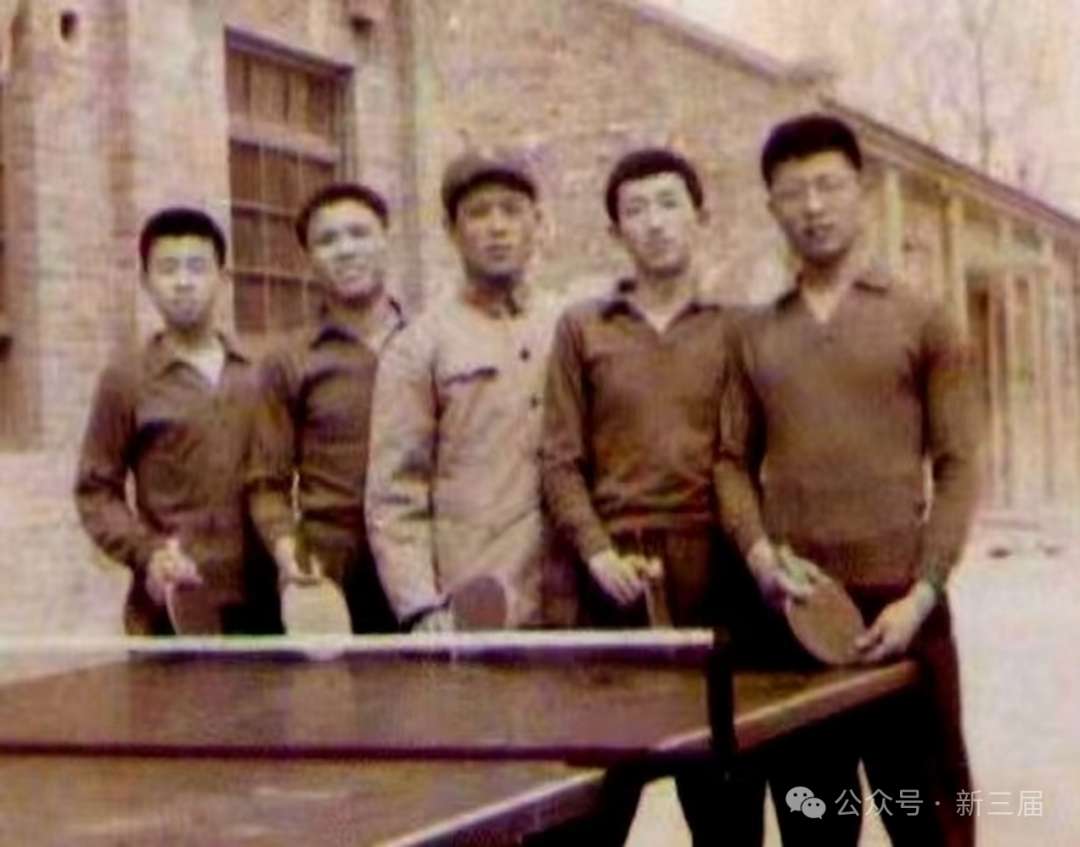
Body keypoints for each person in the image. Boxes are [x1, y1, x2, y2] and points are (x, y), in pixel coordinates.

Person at [715, 113, 980, 846]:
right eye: (793, 192)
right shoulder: (755, 332)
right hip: (799, 619)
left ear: (860, 191)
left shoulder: (923, 317)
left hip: (904, 614)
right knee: (815, 826)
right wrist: (763, 561)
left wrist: (922, 593)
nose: (813, 206)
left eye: (829, 186)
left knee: (928, 823)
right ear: (771, 207)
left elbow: (958, 465)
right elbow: (730, 461)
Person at [541, 147, 762, 845]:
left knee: (727, 810)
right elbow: (559, 461)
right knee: (592, 815)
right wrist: (597, 552)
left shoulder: (739, 329)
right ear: (616, 232)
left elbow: (746, 459)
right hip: (615, 583)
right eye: (635, 210)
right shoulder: (583, 327)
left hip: (716, 575)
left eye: (669, 203)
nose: (655, 222)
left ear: (700, 217)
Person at [366, 149, 568, 631]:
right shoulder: (420, 345)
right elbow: (395, 491)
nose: (497, 227)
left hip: (575, 595)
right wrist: (420, 603)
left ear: (537, 223)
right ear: (451, 230)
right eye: (478, 213)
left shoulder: (570, 327)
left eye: (511, 211)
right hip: (477, 597)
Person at [75, 207, 279, 635]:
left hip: (266, 604)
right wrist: (147, 552)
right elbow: (96, 490)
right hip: (171, 603)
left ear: (223, 278)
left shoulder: (261, 372)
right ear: (146, 282)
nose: (183, 282)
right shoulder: (126, 378)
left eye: (197, 267)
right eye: (167, 269)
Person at [246, 182, 405, 633]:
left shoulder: (429, 343)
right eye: (327, 240)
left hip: (420, 564)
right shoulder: (288, 361)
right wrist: (290, 554)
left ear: (385, 241)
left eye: (359, 233)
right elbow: (266, 484)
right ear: (309, 259)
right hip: (331, 569)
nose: (346, 250)